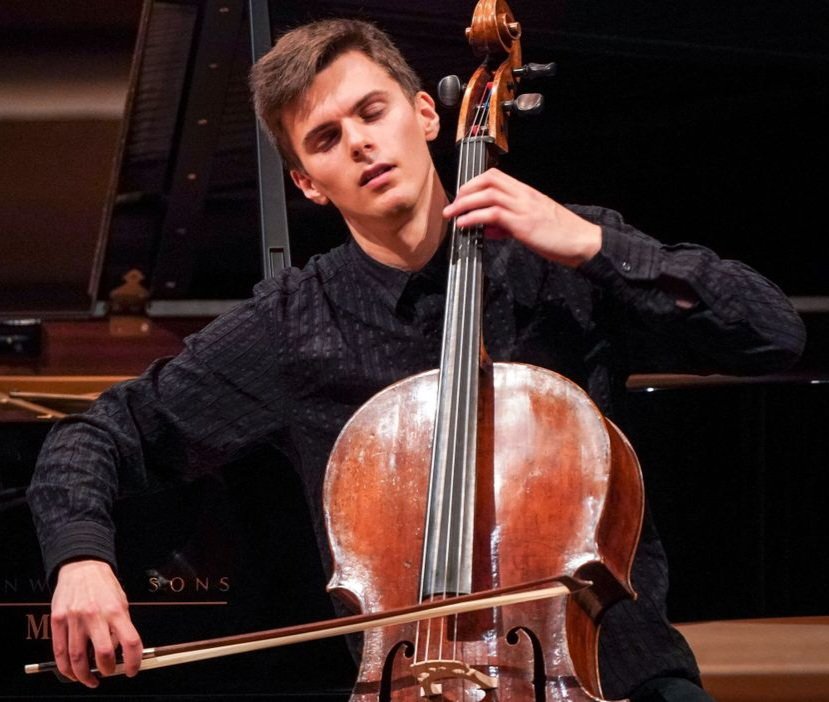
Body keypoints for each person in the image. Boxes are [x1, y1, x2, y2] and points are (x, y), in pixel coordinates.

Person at [27, 17, 805, 702]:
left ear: (426, 113)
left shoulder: (558, 256)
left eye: (372, 111)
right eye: (326, 139)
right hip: (407, 681)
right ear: (307, 183)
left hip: (613, 675)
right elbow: (100, 435)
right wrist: (81, 562)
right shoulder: (296, 322)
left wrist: (600, 247)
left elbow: (772, 335)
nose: (360, 143)